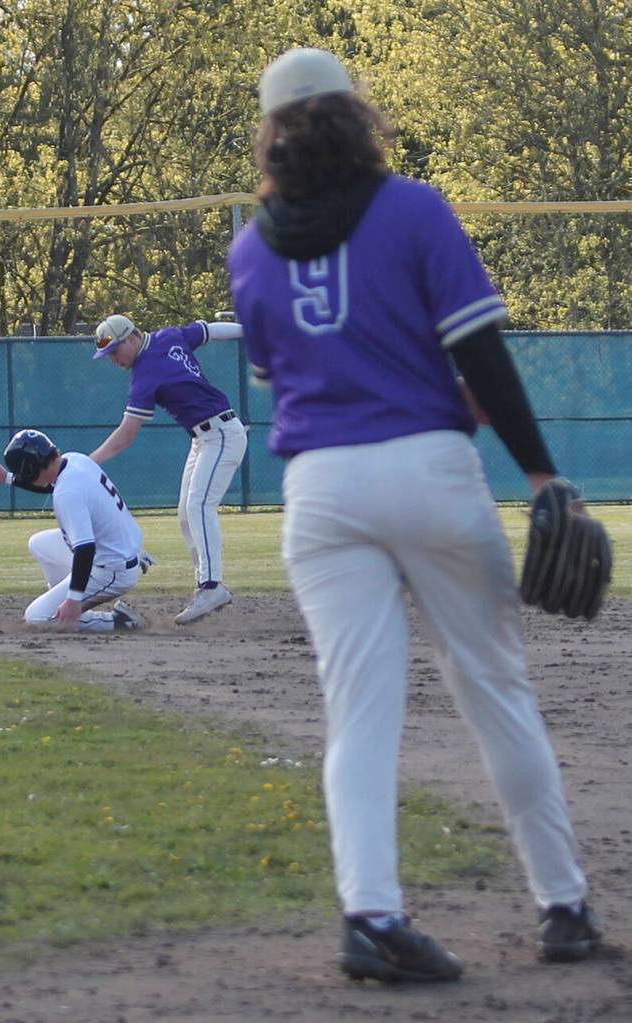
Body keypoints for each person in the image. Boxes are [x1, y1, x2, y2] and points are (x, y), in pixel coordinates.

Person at [228, 47, 602, 982]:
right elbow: (478, 352)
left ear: (270, 134)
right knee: (494, 690)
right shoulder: (412, 209)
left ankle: (371, 917)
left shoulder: (247, 249)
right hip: (427, 470)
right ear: (356, 115)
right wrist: (542, 474)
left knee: (358, 713)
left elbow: (288, 379)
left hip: (317, 492)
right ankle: (561, 906)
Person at [89, 313, 248, 624]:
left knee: (200, 506)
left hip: (222, 434)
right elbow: (208, 330)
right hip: (203, 438)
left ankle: (212, 586)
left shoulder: (148, 368)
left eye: (115, 351)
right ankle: (205, 585)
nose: (114, 360)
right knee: (187, 514)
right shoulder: (165, 341)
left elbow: (126, 435)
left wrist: (89, 461)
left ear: (132, 336)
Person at [0, 429, 147, 632]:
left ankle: (118, 621)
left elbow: (85, 549)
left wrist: (74, 599)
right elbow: (52, 485)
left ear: (32, 469)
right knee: (39, 543)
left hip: (111, 569)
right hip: (117, 550)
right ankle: (64, 600)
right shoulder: (73, 460)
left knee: (37, 618)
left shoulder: (68, 492)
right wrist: (9, 478)